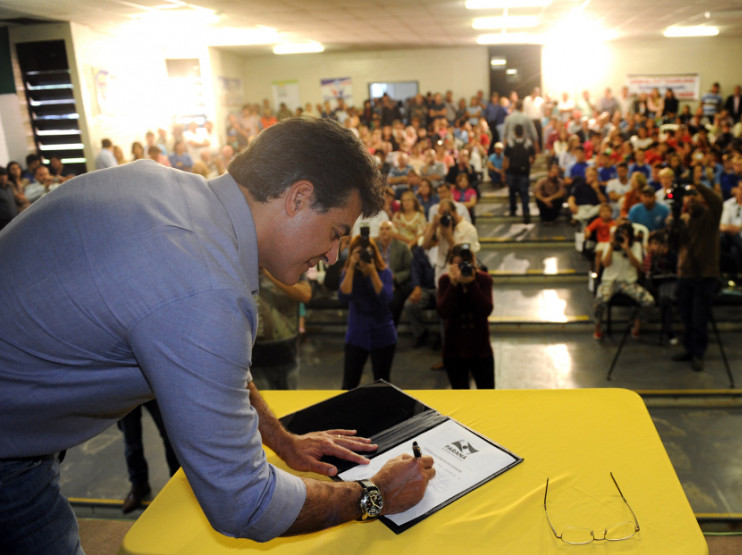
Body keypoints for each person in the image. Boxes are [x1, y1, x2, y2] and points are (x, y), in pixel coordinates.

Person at [0, 117, 435, 553]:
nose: (333, 254)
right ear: (299, 197)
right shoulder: (204, 288)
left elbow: (210, 363)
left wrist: (282, 439)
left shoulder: (167, 188)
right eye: (335, 233)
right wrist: (374, 495)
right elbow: (246, 501)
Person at [671, 183, 723, 372]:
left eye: (695, 196)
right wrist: (673, 227)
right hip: (685, 274)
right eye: (688, 197)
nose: (691, 199)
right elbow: (675, 246)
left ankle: (698, 353)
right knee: (685, 316)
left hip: (705, 275)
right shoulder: (684, 220)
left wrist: (695, 183)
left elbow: (717, 201)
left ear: (701, 198)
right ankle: (689, 349)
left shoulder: (711, 217)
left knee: (699, 318)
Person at [338, 234, 398, 390]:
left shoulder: (384, 272)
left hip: (382, 333)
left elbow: (387, 298)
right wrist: (351, 266)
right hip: (357, 335)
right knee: (349, 383)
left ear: (374, 252)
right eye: (359, 252)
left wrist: (372, 272)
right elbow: (343, 296)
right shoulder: (348, 273)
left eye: (367, 252)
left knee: (383, 383)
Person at [437, 244, 494, 389]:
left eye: (466, 264)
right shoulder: (445, 281)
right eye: (459, 265)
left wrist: (472, 284)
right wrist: (454, 285)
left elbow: (486, 309)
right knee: (460, 395)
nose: (464, 268)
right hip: (454, 348)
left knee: (487, 394)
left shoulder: (483, 279)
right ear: (451, 264)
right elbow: (443, 312)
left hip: (480, 347)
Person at [251, 268, 312, 391]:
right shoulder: (243, 264)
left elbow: (305, 294)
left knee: (290, 406)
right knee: (263, 406)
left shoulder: (289, 262)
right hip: (256, 356)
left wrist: (268, 273)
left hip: (286, 353)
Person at [592, 221, 654, 340]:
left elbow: (638, 265)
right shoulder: (608, 245)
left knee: (649, 301)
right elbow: (605, 263)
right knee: (599, 301)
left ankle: (637, 324)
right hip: (609, 282)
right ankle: (598, 326)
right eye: (620, 234)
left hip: (629, 282)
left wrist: (627, 249)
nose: (622, 238)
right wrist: (611, 246)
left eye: (626, 235)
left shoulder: (636, 246)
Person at [116, 401, 180, 513]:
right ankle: (139, 485)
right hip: (125, 391)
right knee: (131, 441)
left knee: (170, 435)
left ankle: (177, 483)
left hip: (153, 389)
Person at [376, 221, 413, 327]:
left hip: (396, 284)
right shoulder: (373, 247)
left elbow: (409, 269)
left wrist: (395, 277)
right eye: (381, 228)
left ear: (393, 232)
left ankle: (391, 330)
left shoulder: (402, 247)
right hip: (377, 283)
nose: (384, 231)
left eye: (387, 228)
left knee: (394, 303)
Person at [504, 124, 536, 223]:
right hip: (524, 172)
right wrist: (528, 164)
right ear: (523, 132)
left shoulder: (510, 143)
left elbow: (505, 158)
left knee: (512, 192)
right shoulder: (528, 143)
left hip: (512, 171)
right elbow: (533, 156)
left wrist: (505, 170)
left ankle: (513, 210)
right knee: (524, 193)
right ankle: (526, 212)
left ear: (514, 132)